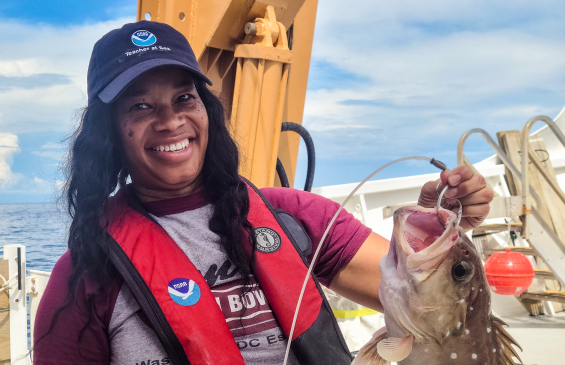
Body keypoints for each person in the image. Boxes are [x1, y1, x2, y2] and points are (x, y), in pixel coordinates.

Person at [33, 21, 493, 365]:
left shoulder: (295, 215)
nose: (170, 120)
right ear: (109, 133)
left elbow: (429, 302)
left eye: (184, 98)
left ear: (206, 109)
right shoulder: (85, 272)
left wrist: (441, 227)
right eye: (140, 105)